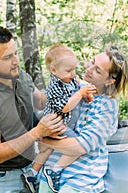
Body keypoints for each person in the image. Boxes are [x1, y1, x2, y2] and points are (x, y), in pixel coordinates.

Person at [0, 26, 66, 193]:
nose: (16, 61)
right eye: (7, 57)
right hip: (0, 180)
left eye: (16, 53)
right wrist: (37, 132)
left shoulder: (22, 76)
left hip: (31, 169)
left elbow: (40, 102)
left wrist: (71, 91)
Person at [38, 45, 128, 193]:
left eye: (97, 70)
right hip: (48, 175)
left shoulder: (107, 106)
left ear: (109, 81)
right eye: (92, 62)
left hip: (78, 181)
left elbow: (80, 146)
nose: (89, 69)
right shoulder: (74, 88)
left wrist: (42, 138)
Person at [21, 44, 96, 193]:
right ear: (54, 70)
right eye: (69, 70)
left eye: (74, 69)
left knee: (46, 151)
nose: (73, 74)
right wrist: (80, 94)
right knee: (79, 146)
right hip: (55, 124)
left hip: (56, 124)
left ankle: (32, 174)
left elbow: (79, 88)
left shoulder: (70, 79)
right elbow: (66, 107)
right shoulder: (54, 86)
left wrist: (86, 95)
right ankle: (54, 171)